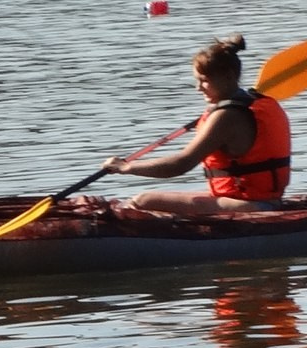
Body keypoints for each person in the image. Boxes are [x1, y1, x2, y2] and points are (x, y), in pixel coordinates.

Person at [108, 32, 293, 214]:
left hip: (249, 205)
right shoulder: (256, 103)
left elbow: (181, 164)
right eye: (197, 81)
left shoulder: (227, 116)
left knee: (143, 201)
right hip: (262, 199)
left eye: (204, 81)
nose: (198, 88)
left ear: (228, 77)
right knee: (152, 202)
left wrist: (126, 167)